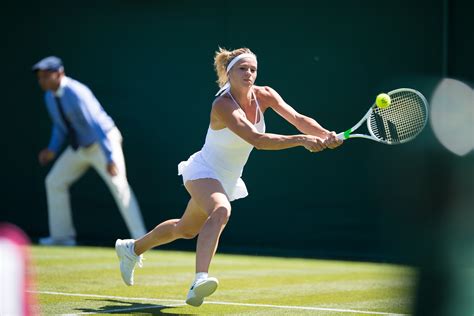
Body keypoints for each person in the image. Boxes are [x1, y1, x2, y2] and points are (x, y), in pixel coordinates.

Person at [115, 47, 342, 307]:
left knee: (185, 229)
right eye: (242, 68)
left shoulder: (265, 95)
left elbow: (298, 118)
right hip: (203, 171)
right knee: (221, 210)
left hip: (228, 177)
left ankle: (131, 249)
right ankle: (199, 280)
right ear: (228, 72)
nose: (249, 74)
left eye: (253, 69)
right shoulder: (222, 104)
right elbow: (256, 139)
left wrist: (325, 134)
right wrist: (301, 140)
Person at [33, 56, 147, 246]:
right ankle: (62, 237)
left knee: (120, 186)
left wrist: (110, 157)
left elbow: (95, 124)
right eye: (40, 77)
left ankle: (142, 240)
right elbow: (60, 127)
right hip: (80, 147)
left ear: (59, 73)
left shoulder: (76, 92)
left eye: (46, 75)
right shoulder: (49, 97)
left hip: (104, 142)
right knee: (54, 181)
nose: (42, 80)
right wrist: (52, 150)